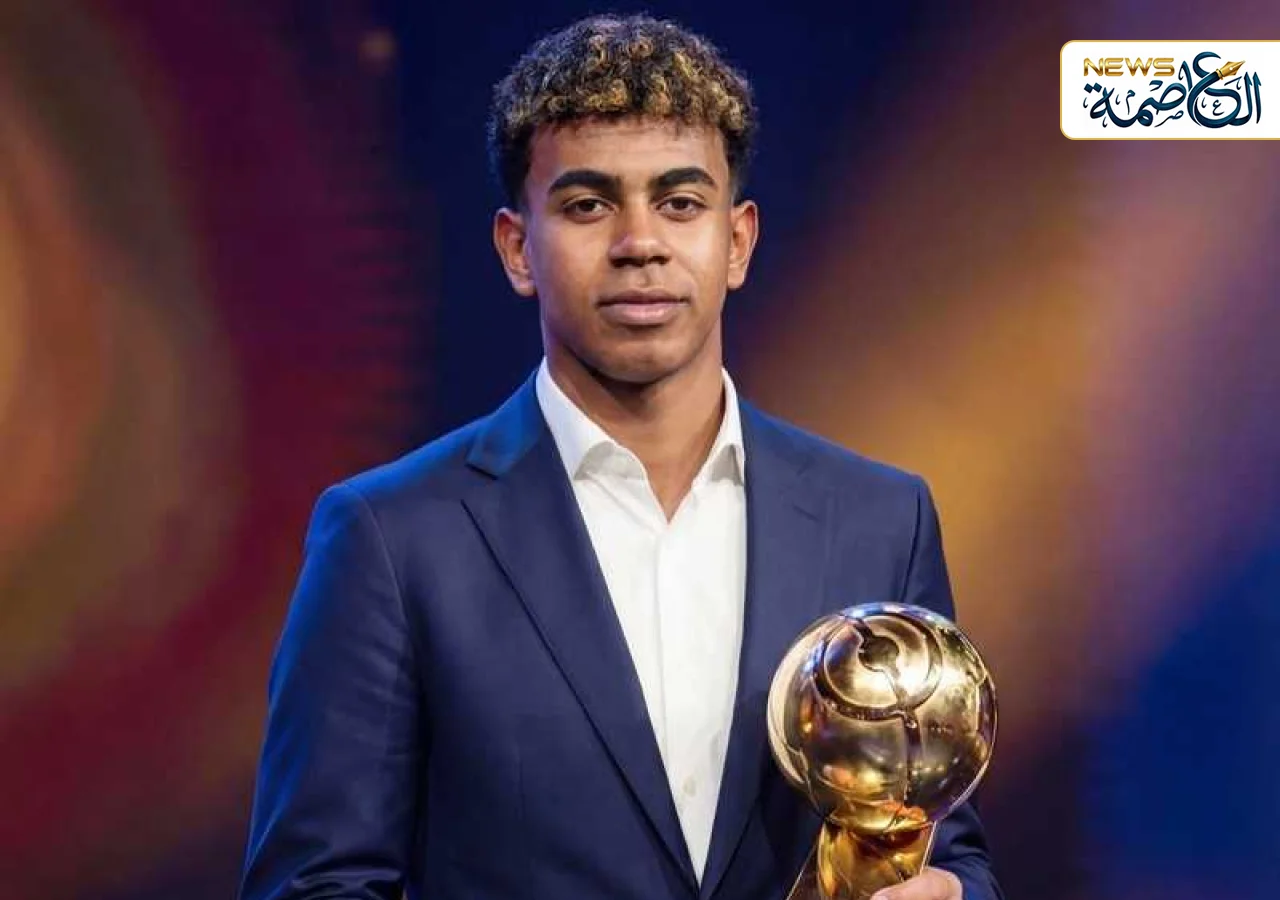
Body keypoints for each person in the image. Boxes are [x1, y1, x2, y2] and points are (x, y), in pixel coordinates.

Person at [239, 14, 1002, 900]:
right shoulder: (391, 539)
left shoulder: (879, 520)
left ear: (738, 241)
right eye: (588, 205)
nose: (641, 243)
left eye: (680, 203)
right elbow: (316, 885)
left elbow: (946, 844)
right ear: (517, 248)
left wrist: (953, 893)